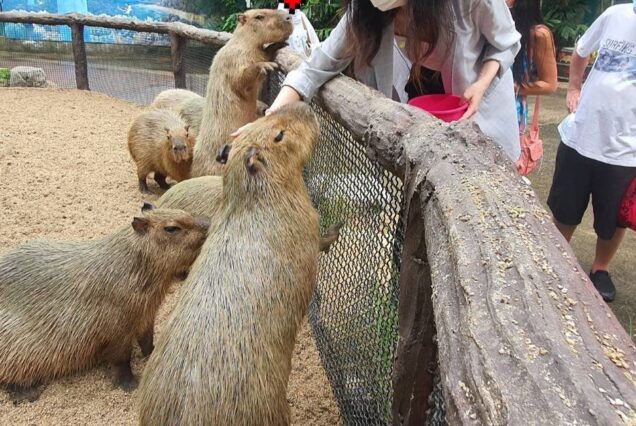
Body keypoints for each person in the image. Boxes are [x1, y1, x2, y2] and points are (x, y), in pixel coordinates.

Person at [235, 0, 522, 161]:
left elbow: (507, 43)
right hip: (422, 122)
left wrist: (482, 83)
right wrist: (269, 119)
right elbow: (315, 67)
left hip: (478, 109)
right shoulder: (366, 10)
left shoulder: (467, 3)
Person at [547, 3, 636, 302]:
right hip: (582, 134)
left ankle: (600, 268)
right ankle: (557, 260)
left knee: (613, 218)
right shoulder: (616, 14)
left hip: (626, 149)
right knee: (565, 207)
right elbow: (582, 50)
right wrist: (573, 88)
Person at [507, 0, 557, 130]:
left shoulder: (538, 34)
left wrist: (513, 88)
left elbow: (549, 85)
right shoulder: (488, 24)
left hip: (510, 114)